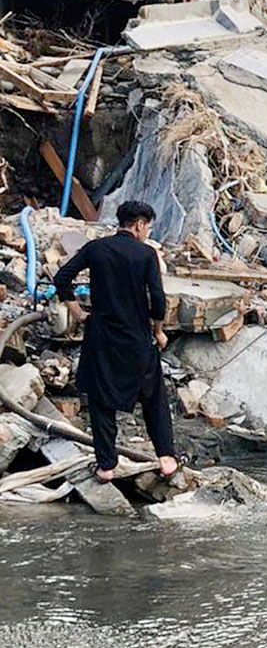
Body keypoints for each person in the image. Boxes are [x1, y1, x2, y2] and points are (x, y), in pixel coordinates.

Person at [54, 200, 178, 483]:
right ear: (139, 225)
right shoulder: (146, 254)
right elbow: (158, 299)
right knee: (153, 397)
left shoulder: (96, 248)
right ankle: (166, 458)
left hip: (101, 337)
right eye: (148, 227)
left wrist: (79, 313)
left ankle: (107, 465)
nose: (147, 233)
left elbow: (62, 278)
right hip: (136, 338)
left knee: (100, 398)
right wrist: (158, 331)